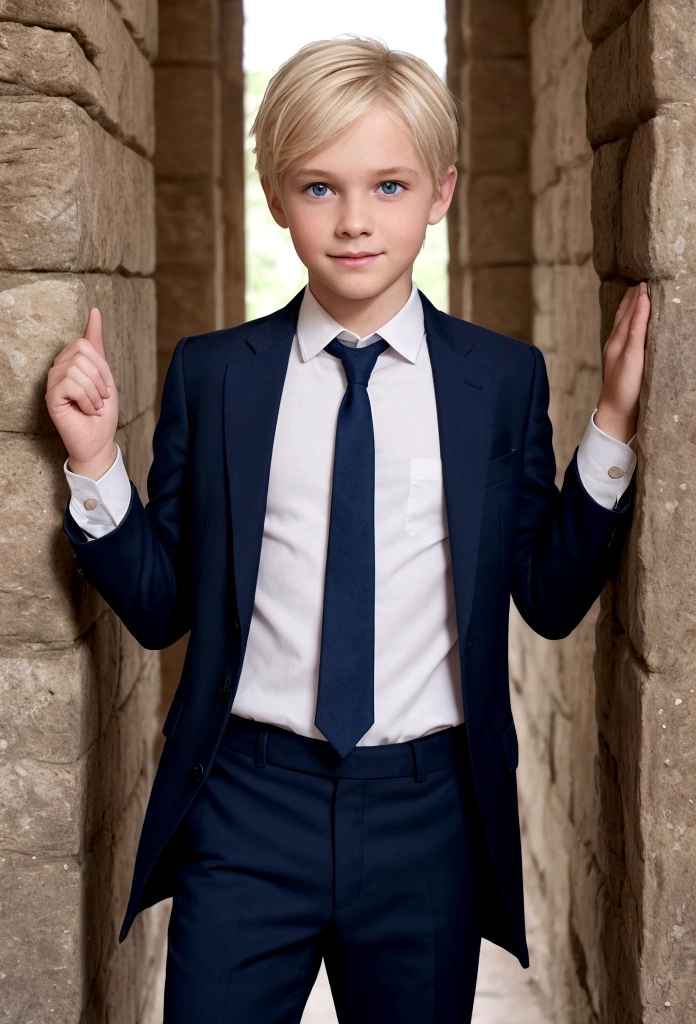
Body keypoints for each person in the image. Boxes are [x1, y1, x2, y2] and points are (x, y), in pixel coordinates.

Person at [45, 35, 650, 1024]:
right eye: (320, 187)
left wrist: (614, 431)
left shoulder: (501, 380)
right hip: (246, 803)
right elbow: (161, 610)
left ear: (442, 193)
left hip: (430, 817)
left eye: (390, 186)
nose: (357, 221)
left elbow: (547, 595)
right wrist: (96, 461)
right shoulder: (215, 374)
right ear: (275, 194)